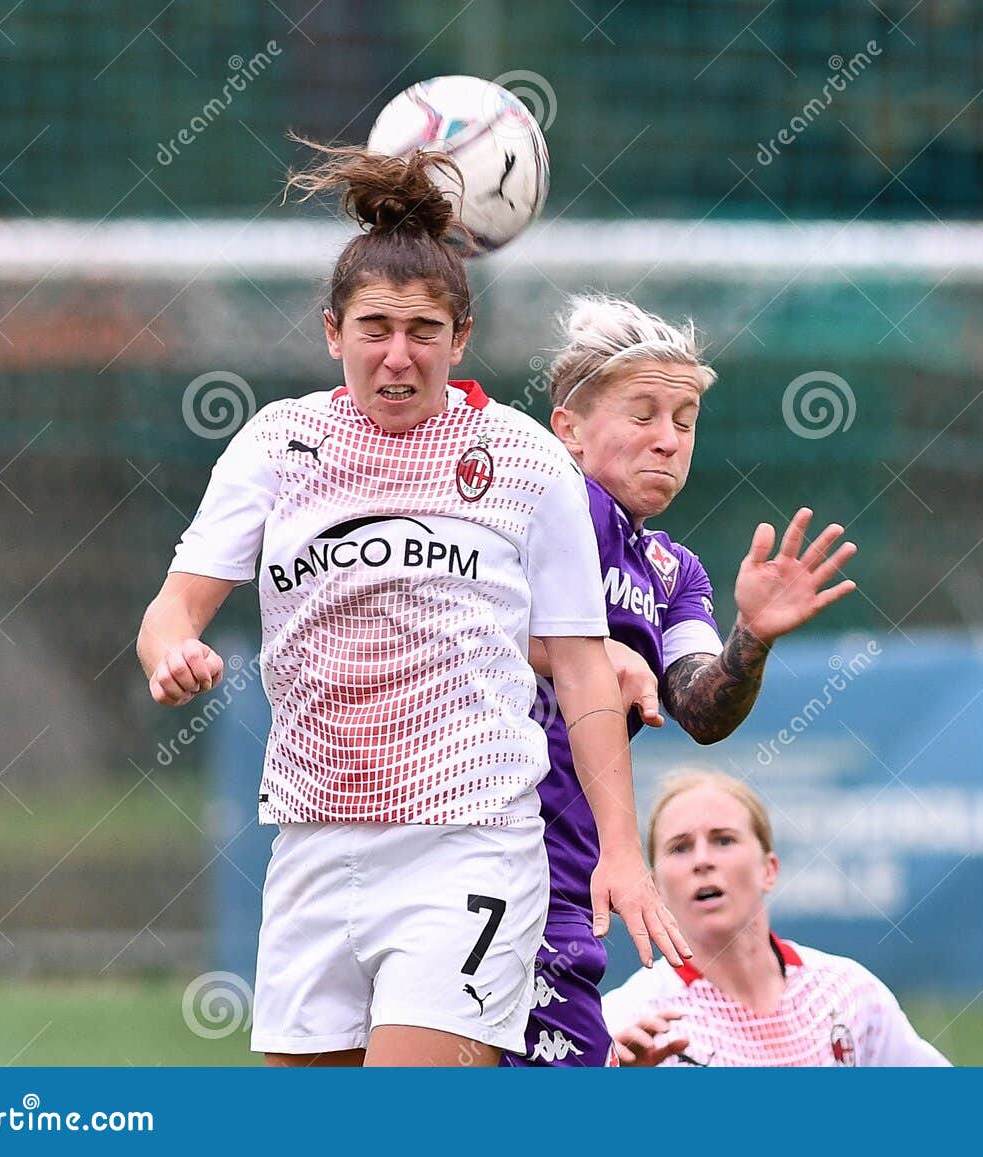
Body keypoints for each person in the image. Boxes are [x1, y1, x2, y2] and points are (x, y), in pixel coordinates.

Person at [137, 145, 686, 1068]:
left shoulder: (521, 461)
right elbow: (171, 608)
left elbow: (585, 666)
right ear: (331, 332)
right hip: (313, 837)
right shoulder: (279, 445)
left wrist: (621, 852)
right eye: (375, 327)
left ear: (461, 338)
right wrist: (172, 650)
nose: (398, 355)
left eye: (423, 330)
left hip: (467, 844)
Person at [504, 296, 859, 1067]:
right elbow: (452, 619)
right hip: (475, 853)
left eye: (686, 418)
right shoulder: (529, 507)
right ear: (568, 427)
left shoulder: (673, 571)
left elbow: (700, 705)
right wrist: (589, 654)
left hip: (570, 879)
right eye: (643, 413)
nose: (668, 439)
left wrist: (751, 637)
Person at [602, 771, 950, 1066]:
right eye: (680, 847)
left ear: (769, 870)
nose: (702, 860)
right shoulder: (626, 1019)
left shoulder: (850, 994)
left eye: (724, 840)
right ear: (656, 887)